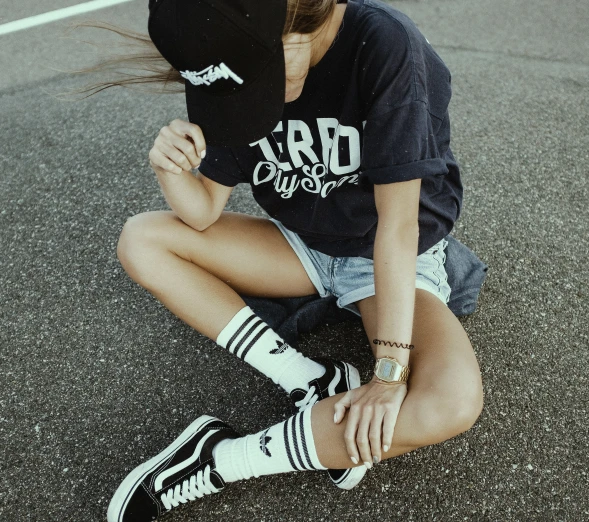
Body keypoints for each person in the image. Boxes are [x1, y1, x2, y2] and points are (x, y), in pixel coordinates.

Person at [89, 0, 484, 520]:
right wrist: (169, 168)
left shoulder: (383, 45)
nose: (257, 101)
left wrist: (388, 376)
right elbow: (204, 210)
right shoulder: (229, 54)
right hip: (302, 243)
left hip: (387, 255)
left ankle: (221, 459)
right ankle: (309, 380)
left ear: (303, 21)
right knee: (142, 239)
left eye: (263, 79)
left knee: (450, 401)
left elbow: (398, 226)